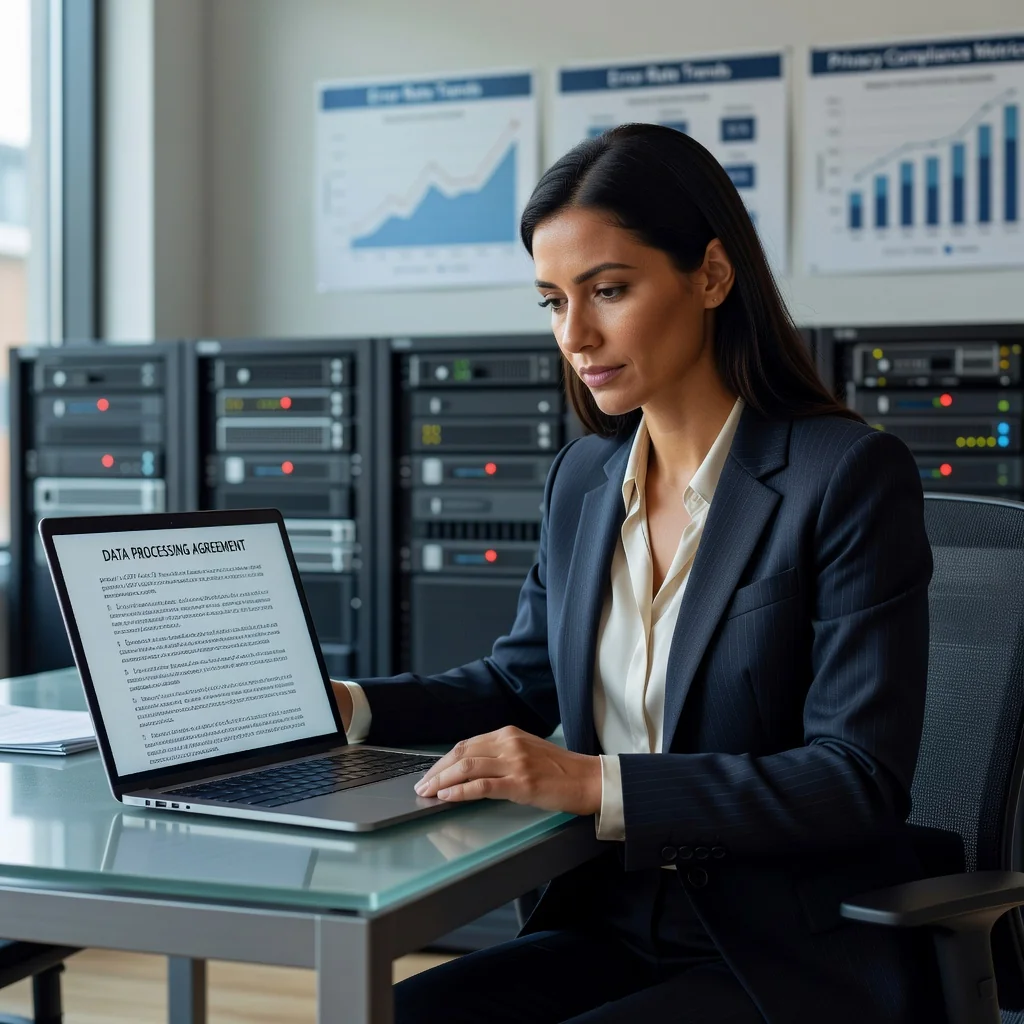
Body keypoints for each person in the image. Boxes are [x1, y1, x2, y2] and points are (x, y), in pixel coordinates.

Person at [332, 124, 944, 1023]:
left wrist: (591, 782)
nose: (576, 335)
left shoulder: (844, 475)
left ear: (710, 275)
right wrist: (353, 707)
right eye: (551, 302)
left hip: (780, 952)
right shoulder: (585, 476)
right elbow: (520, 678)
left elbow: (855, 776)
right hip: (607, 918)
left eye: (608, 291)